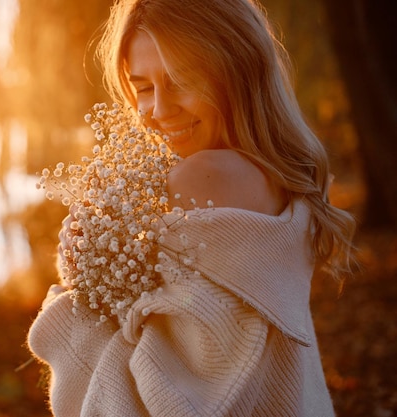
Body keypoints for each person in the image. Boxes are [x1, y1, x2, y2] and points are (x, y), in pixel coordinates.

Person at [28, 0, 356, 415]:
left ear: (237, 71)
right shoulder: (282, 176)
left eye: (182, 80)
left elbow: (140, 393)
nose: (159, 111)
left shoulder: (200, 178)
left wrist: (69, 291)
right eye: (143, 87)